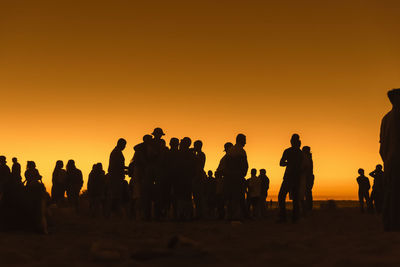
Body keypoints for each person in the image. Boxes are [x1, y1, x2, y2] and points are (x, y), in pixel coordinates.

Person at [380, 89, 400, 231]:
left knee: (391, 191)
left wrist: (386, 160)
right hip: (394, 160)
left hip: (390, 160)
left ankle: (389, 224)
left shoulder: (385, 118)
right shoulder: (390, 118)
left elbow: (382, 146)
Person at [277, 134, 304, 223]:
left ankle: (284, 217)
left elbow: (281, 163)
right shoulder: (299, 153)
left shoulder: (290, 151)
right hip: (294, 177)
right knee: (294, 198)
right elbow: (281, 163)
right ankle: (293, 218)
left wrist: (288, 163)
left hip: (290, 177)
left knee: (282, 196)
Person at [224, 134, 248, 221]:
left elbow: (227, 164)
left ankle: (231, 215)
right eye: (244, 140)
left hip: (230, 177)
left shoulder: (231, 150)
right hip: (237, 177)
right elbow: (244, 165)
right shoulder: (241, 151)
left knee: (232, 196)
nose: (245, 142)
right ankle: (236, 216)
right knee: (237, 196)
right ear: (240, 140)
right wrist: (242, 174)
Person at [106, 138, 127, 217]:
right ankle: (111, 213)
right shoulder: (117, 153)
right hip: (115, 177)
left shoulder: (116, 152)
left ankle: (112, 213)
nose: (124, 147)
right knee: (114, 196)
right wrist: (125, 170)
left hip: (116, 176)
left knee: (115, 195)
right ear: (120, 144)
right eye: (124, 145)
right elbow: (117, 166)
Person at [176, 137, 196, 221]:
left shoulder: (182, 153)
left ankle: (184, 215)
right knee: (186, 197)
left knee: (183, 197)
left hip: (183, 178)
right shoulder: (190, 154)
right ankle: (187, 215)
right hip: (186, 177)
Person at [215, 142, 233, 220]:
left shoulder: (227, 158)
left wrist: (219, 173)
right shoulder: (226, 157)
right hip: (223, 179)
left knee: (223, 199)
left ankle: (223, 215)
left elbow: (223, 170)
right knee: (223, 199)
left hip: (224, 179)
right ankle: (223, 215)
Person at [192, 140, 206, 219]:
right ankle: (199, 213)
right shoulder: (199, 154)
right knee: (197, 197)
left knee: (199, 197)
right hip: (198, 176)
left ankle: (200, 214)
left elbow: (199, 166)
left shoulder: (201, 155)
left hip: (199, 177)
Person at [300, 146, 314, 215]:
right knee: (307, 193)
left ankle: (307, 208)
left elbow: (306, 168)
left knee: (306, 192)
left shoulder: (306, 158)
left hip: (307, 177)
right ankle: (308, 208)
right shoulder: (308, 158)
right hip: (309, 177)